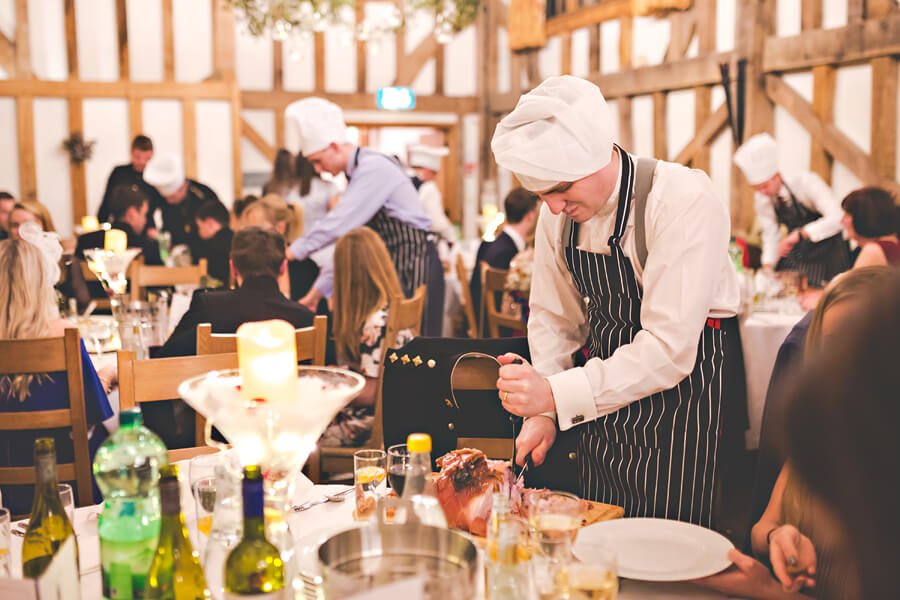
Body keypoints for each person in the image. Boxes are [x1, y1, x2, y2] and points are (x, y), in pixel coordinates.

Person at [491, 76, 741, 527]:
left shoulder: (681, 199)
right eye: (541, 194)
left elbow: (669, 347)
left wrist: (555, 393)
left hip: (684, 406)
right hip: (602, 411)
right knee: (603, 534)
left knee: (672, 554)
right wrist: (546, 411)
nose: (551, 208)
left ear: (598, 154)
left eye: (561, 188)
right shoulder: (560, 216)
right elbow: (554, 319)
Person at [696, 267, 898, 599]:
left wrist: (772, 591)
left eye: (857, 350)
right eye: (831, 346)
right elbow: (764, 526)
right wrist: (779, 536)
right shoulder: (824, 436)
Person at [283, 97, 445, 336]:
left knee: (420, 348)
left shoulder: (373, 168)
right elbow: (346, 242)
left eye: (317, 161)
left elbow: (337, 224)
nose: (317, 170)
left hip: (416, 264)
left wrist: (293, 252)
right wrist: (317, 293)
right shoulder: (359, 174)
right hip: (397, 267)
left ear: (334, 146)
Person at [0, 224, 113, 515]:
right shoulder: (64, 335)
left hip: (8, 487)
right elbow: (90, 416)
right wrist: (106, 376)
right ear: (42, 283)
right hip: (68, 484)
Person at [157, 226, 314, 358]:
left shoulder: (209, 308)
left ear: (232, 268)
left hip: (221, 394)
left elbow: (163, 360)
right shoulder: (306, 320)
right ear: (283, 268)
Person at [320, 228, 414, 447]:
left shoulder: (376, 324)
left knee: (297, 434)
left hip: (368, 423)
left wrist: (331, 386)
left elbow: (374, 392)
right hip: (396, 414)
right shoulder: (389, 310)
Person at [733, 133, 849, 287]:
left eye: (765, 186)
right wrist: (767, 266)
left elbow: (837, 217)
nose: (762, 192)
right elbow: (770, 234)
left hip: (828, 250)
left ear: (777, 176)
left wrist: (800, 234)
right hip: (800, 254)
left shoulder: (806, 183)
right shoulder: (763, 199)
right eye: (757, 188)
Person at [469, 187, 539, 331]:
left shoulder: (488, 244)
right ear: (530, 216)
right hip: (501, 332)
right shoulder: (507, 253)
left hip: (483, 327)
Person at [142, 152, 222, 258]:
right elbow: (147, 215)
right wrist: (153, 232)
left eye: (172, 197)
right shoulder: (159, 196)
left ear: (182, 188)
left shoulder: (203, 196)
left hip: (203, 253)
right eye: (166, 198)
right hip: (171, 252)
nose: (168, 201)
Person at [76, 184, 163, 266]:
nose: (145, 221)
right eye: (144, 214)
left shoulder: (85, 242)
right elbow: (161, 280)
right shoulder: (147, 247)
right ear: (132, 213)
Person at [96, 134, 164, 227]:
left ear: (152, 155)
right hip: (119, 227)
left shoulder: (156, 177)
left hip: (146, 228)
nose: (142, 162)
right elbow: (106, 203)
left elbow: (164, 206)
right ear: (131, 153)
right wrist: (100, 226)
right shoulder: (119, 173)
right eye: (137, 157)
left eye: (147, 158)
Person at [408, 144, 457, 253]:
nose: (435, 178)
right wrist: (451, 236)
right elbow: (437, 222)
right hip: (423, 245)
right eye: (434, 174)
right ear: (427, 170)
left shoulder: (406, 183)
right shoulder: (429, 188)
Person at [840, 186, 900, 268]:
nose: (842, 221)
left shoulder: (874, 250)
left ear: (862, 218)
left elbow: (847, 281)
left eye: (846, 216)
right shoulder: (891, 244)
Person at [193, 199, 234, 284]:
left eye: (200, 226)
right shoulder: (237, 239)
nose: (199, 232)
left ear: (210, 223)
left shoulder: (210, 248)